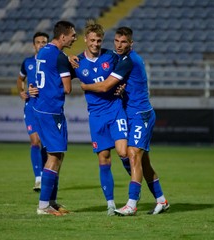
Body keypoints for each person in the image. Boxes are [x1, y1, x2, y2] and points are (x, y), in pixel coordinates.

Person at [80, 27, 169, 216]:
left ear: (131, 44)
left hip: (141, 114)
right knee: (142, 162)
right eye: (117, 41)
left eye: (124, 42)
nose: (119, 45)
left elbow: (105, 86)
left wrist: (85, 86)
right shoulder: (119, 58)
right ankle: (161, 200)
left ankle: (131, 203)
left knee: (132, 154)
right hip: (130, 113)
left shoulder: (129, 61)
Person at [71, 20, 131, 216]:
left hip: (115, 110)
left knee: (123, 152)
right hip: (96, 116)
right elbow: (56, 72)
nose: (96, 44)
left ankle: (136, 181)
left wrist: (123, 87)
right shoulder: (76, 62)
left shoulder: (112, 57)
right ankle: (111, 204)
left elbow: (127, 73)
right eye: (93, 40)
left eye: (99, 40)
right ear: (86, 39)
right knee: (104, 160)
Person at [29, 20, 77, 216]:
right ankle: (43, 205)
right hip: (51, 110)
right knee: (54, 156)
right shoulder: (59, 57)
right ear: (63, 36)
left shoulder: (45, 51)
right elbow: (67, 88)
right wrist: (74, 70)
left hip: (40, 108)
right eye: (73, 35)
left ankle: (51, 200)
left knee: (58, 155)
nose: (75, 38)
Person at [16, 31, 49, 192]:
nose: (41, 44)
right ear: (34, 45)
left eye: (44, 42)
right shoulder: (27, 62)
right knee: (35, 141)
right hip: (30, 106)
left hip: (46, 107)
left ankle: (45, 174)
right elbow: (20, 79)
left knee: (45, 144)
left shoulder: (51, 62)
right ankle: (38, 178)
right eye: (38, 42)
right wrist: (21, 92)